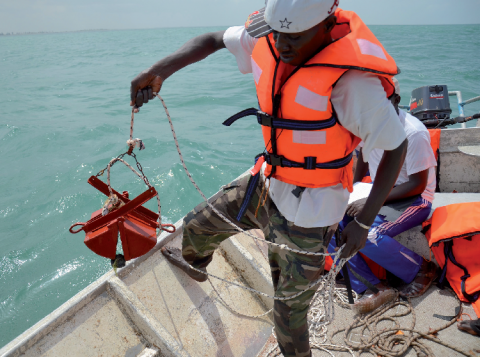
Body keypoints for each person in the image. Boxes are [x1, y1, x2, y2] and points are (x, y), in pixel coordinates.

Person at [130, 1, 408, 356]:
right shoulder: (273, 35)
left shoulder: (354, 84)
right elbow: (214, 39)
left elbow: (395, 148)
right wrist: (159, 70)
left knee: (288, 321)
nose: (281, 43)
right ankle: (196, 267)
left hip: (312, 215)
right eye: (277, 33)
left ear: (325, 26)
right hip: (266, 185)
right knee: (198, 226)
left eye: (294, 36)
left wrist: (364, 222)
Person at [328, 77, 438, 314]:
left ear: (396, 99)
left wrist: (370, 201)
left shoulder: (414, 133)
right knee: (328, 223)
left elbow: (419, 185)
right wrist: (354, 188)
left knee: (367, 233)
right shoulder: (366, 124)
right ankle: (372, 286)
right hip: (378, 190)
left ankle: (422, 269)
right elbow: (363, 160)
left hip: (414, 199)